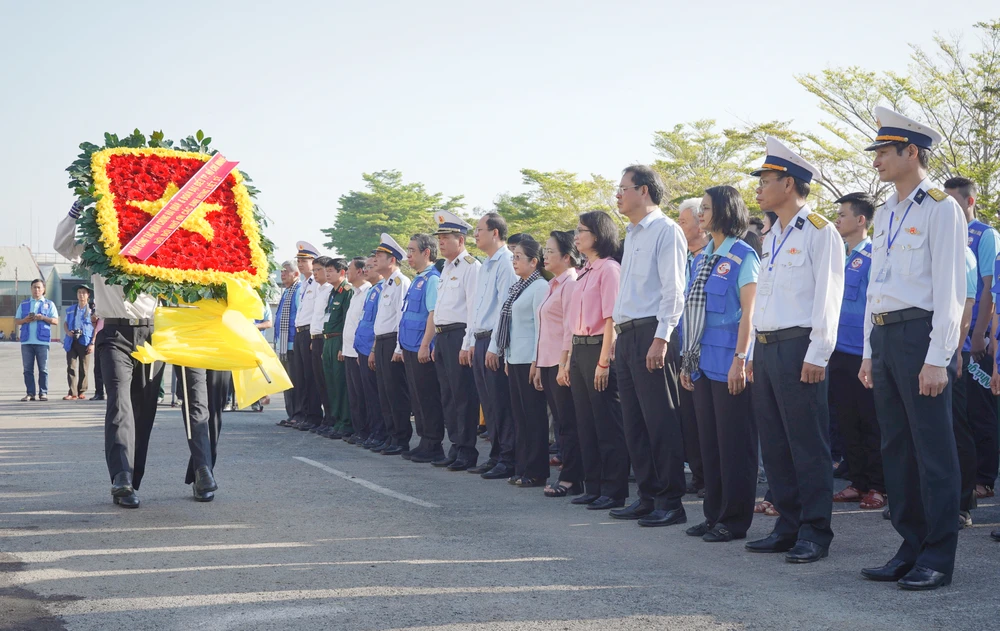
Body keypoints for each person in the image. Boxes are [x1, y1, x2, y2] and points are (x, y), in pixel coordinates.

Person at [858, 107, 964, 590]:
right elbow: (876, 287)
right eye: (877, 150)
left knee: (933, 451)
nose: (877, 158)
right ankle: (910, 544)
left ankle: (938, 556)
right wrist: (866, 351)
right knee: (896, 448)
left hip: (920, 336)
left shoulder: (941, 208)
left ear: (912, 152)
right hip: (885, 336)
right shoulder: (886, 213)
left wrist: (938, 357)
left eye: (884, 150)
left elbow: (950, 291)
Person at [56, 202, 214, 509]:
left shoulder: (160, 243)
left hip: (151, 335)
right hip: (114, 334)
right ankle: (121, 479)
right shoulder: (99, 242)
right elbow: (64, 246)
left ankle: (133, 477)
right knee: (119, 403)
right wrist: (75, 212)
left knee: (143, 412)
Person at [745, 136, 844, 563]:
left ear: (789, 184)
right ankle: (787, 524)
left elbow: (828, 297)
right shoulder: (773, 234)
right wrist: (751, 352)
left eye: (765, 179)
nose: (758, 188)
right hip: (767, 348)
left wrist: (818, 353)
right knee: (777, 443)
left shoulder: (820, 231)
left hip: (800, 345)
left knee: (807, 442)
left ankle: (815, 531)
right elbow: (766, 299)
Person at [679, 185, 760, 543]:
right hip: (701, 362)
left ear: (725, 211)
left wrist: (741, 359)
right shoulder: (701, 257)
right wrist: (687, 362)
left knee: (733, 445)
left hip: (729, 360)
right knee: (709, 444)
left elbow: (749, 314)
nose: (701, 215)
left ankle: (735, 519)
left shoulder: (743, 255)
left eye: (707, 209)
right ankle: (713, 514)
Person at [611, 165, 688, 527]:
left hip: (651, 334)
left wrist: (662, 337)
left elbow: (674, 289)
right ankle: (646, 496)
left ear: (643, 191)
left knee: (660, 421)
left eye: (622, 188)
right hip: (627, 335)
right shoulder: (632, 234)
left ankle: (670, 501)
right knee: (635, 423)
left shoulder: (666, 230)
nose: (617, 194)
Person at [566, 211, 629, 509]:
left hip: (599, 348)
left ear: (599, 234)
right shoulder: (584, 271)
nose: (576, 236)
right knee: (586, 422)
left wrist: (605, 361)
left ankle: (614, 489)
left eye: (582, 231)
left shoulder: (609, 269)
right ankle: (593, 485)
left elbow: (611, 319)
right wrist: (569, 362)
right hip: (580, 349)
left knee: (606, 422)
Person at [828, 193, 886, 510]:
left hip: (863, 353)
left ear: (861, 220)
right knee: (846, 419)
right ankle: (858, 482)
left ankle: (878, 486)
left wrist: (870, 353)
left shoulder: (874, 256)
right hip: (837, 351)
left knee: (870, 421)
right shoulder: (839, 256)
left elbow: (873, 309)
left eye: (843, 214)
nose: (837, 219)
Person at [946, 176, 999, 501]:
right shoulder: (947, 234)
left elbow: (988, 289)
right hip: (950, 339)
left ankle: (984, 478)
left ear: (969, 202)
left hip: (974, 342)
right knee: (957, 416)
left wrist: (980, 334)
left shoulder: (985, 234)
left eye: (954, 201)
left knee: (980, 413)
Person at [430, 210, 482, 470]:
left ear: (460, 240)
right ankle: (455, 444)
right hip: (442, 336)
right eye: (439, 238)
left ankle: (467, 449)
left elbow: (473, 308)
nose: (440, 242)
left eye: (446, 237)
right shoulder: (446, 268)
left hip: (459, 334)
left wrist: (467, 343)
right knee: (448, 394)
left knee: (463, 395)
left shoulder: (471, 266)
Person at [468, 213, 518, 479]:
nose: (475, 234)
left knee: (501, 403)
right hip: (480, 338)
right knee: (488, 404)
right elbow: (476, 307)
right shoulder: (486, 264)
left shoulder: (506, 262)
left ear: (495, 232)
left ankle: (509, 458)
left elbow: (504, 308)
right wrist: (469, 342)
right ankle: (497, 454)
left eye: (479, 230)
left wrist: (495, 347)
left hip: (494, 341)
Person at [535, 230, 582, 497]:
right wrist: (540, 365)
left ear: (566, 256)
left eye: (550, 251)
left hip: (562, 362)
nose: (545, 255)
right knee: (562, 424)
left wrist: (563, 364)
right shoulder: (553, 284)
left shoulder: (571, 283)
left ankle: (572, 478)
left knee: (568, 423)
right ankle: (570, 474)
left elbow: (569, 329)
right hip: (549, 361)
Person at [499, 236, 549, 487]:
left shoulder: (539, 287)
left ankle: (536, 470)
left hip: (529, 358)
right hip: (515, 357)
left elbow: (541, 328)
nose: (514, 261)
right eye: (513, 257)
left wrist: (535, 361)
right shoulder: (519, 286)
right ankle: (522, 467)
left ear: (534, 261)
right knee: (519, 417)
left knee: (533, 417)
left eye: (518, 257)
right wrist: (508, 356)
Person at [400, 234, 445, 463]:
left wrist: (426, 344)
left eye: (412, 251)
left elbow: (433, 314)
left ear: (426, 252)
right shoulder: (419, 278)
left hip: (421, 346)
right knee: (417, 397)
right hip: (409, 344)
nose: (408, 255)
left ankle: (433, 443)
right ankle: (424, 441)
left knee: (427, 396)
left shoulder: (433, 280)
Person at [676, 197, 708, 496]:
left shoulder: (711, 258)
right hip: (682, 349)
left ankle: (710, 477)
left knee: (706, 419)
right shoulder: (682, 259)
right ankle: (699, 475)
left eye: (684, 222)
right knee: (688, 417)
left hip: (707, 351)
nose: (679, 227)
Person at [370, 234, 412, 456]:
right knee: (385, 393)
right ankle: (390, 435)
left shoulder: (401, 282)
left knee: (396, 393)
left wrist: (398, 348)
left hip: (394, 341)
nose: (375, 259)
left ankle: (401, 438)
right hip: (382, 341)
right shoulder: (386, 284)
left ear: (392, 259)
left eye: (380, 256)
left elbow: (400, 318)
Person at [355, 257, 388, 449]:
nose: (366, 270)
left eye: (371, 266)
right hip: (363, 347)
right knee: (368, 394)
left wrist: (373, 349)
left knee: (377, 395)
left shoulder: (383, 288)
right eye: (365, 267)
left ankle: (380, 433)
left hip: (372, 348)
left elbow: (379, 323)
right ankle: (373, 432)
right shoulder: (372, 291)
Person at [290, 242, 323, 430]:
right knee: (301, 376)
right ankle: (303, 414)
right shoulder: (304, 284)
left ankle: (314, 415)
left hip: (310, 331)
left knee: (311, 377)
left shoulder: (319, 284)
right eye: (299, 261)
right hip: (300, 331)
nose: (301, 264)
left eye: (304, 260)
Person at [319, 258, 353, 437]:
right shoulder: (333, 293)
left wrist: (343, 346)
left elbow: (348, 320)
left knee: (341, 384)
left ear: (342, 272)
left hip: (339, 340)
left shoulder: (347, 291)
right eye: (327, 270)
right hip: (328, 340)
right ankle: (336, 420)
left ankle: (345, 423)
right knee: (331, 383)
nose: (327, 274)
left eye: (331, 270)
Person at [342, 258, 372, 444]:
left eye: (349, 269)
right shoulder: (354, 293)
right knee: (353, 395)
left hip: (360, 350)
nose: (347, 272)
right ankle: (358, 430)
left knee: (363, 395)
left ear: (360, 271)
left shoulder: (368, 291)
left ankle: (366, 431)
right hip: (349, 350)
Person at [15, 278, 59, 402]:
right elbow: (17, 320)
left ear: (44, 289)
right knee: (27, 369)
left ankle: (43, 392)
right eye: (34, 287)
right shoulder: (24, 304)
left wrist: (43, 317)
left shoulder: (49, 304)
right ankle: (30, 393)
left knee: (43, 369)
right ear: (31, 289)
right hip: (27, 341)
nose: (37, 290)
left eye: (39, 287)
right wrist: (25, 320)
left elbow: (55, 321)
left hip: (42, 342)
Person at [307, 255, 334, 431]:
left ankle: (332, 419)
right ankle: (326, 419)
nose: (315, 273)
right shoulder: (319, 290)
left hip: (325, 339)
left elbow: (329, 318)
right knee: (319, 382)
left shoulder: (331, 290)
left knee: (328, 382)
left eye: (319, 270)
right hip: (315, 339)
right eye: (314, 270)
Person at [274, 261, 301, 426]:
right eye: (282, 271)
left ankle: (298, 414)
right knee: (286, 381)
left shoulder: (298, 291)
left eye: (286, 271)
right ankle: (291, 414)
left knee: (295, 382)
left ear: (296, 274)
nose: (283, 274)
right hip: (284, 345)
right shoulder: (286, 291)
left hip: (293, 344)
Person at [63, 284, 95, 400]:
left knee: (84, 367)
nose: (81, 295)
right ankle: (72, 392)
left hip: (85, 340)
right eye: (79, 292)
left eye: (83, 292)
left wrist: (93, 343)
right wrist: (67, 332)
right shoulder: (71, 309)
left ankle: (81, 390)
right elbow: (65, 323)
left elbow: (96, 327)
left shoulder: (92, 310)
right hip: (72, 340)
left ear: (88, 295)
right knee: (71, 366)